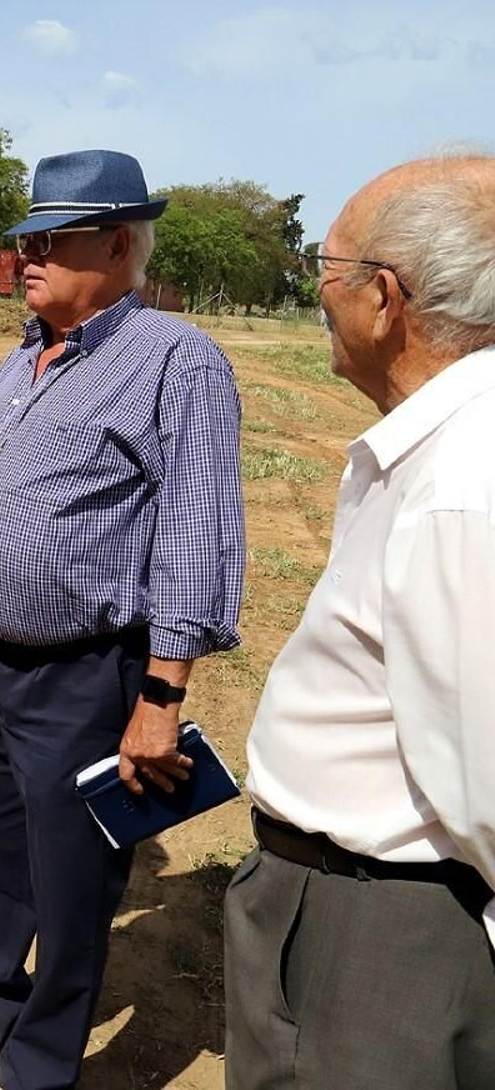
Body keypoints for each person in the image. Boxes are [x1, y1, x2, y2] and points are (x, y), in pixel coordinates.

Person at [0, 150, 245, 1088]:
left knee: (73, 878)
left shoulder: (174, 360)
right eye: (24, 241)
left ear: (118, 246)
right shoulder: (23, 358)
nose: (25, 258)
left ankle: (39, 1063)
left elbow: (197, 534)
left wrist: (162, 696)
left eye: (51, 241)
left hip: (89, 673)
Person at [225, 156, 495, 1089]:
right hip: (354, 906)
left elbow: (491, 786)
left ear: (385, 298)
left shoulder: (462, 487)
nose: (319, 297)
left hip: (388, 935)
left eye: (326, 273)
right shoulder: (435, 449)